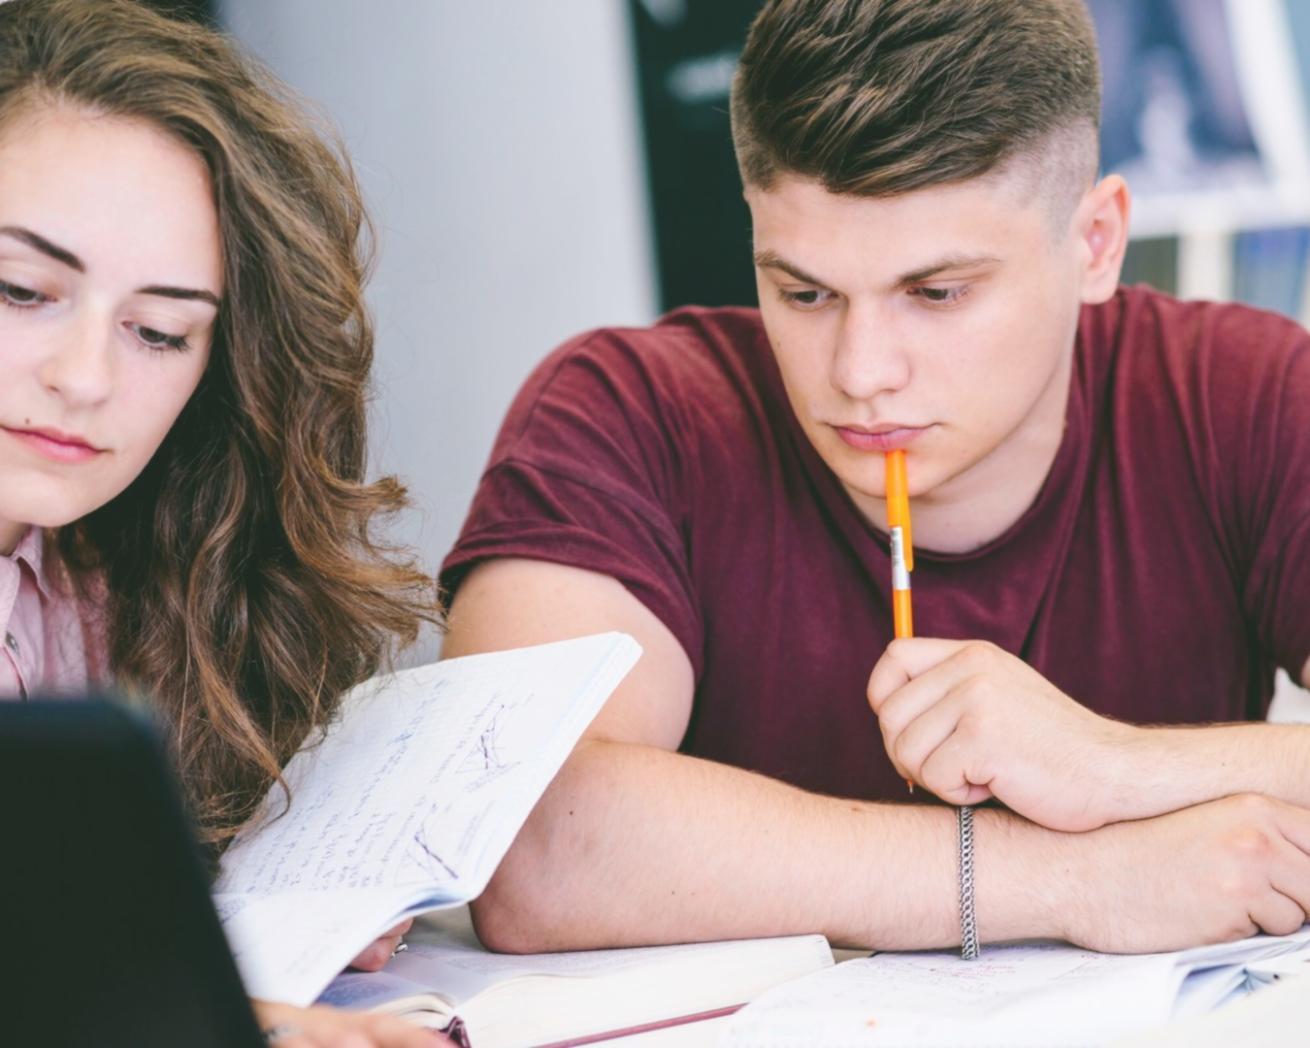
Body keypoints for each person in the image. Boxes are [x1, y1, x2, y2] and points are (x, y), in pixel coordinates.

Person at [441, 0, 1310, 957]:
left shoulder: (1250, 394)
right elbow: (530, 843)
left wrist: (1115, 769)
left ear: (1095, 242)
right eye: (804, 292)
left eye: (937, 294)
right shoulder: (625, 411)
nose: (860, 372)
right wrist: (1073, 879)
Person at [0, 1, 448, 1043]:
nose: (85, 378)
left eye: (159, 332)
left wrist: (281, 899)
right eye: (20, 289)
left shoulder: (112, 585)